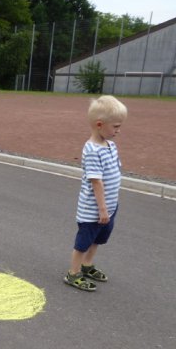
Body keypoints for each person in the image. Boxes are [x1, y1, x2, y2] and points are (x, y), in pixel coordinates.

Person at [64, 95, 128, 291]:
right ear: (100, 124)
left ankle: (87, 265)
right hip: (94, 210)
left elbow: (113, 172)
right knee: (83, 242)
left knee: (98, 238)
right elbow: (96, 182)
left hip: (109, 206)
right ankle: (73, 273)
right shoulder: (92, 150)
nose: (118, 130)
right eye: (116, 126)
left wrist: (109, 207)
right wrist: (102, 209)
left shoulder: (110, 145)